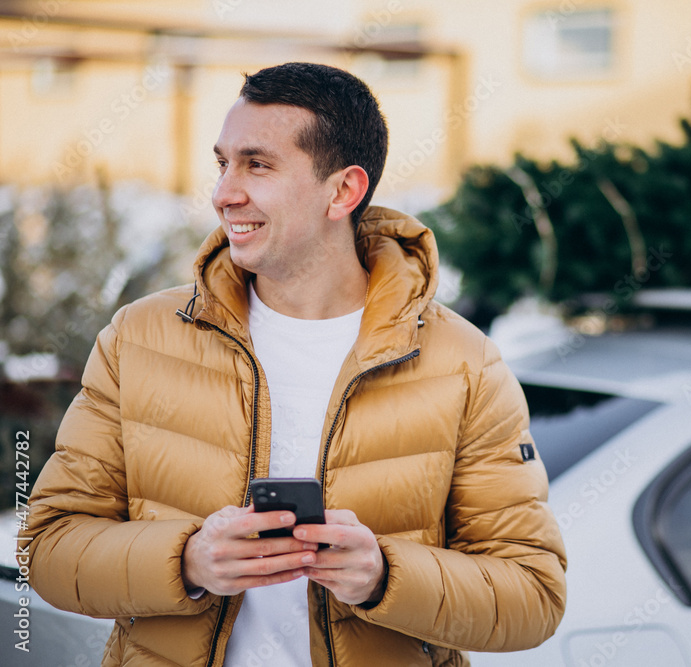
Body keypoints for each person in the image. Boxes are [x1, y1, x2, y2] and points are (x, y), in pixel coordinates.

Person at [23, 62, 567, 666]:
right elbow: (48, 547)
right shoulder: (139, 338)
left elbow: (533, 597)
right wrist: (186, 560)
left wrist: (385, 576)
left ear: (343, 191)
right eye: (223, 162)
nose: (224, 191)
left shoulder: (464, 364)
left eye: (257, 164)